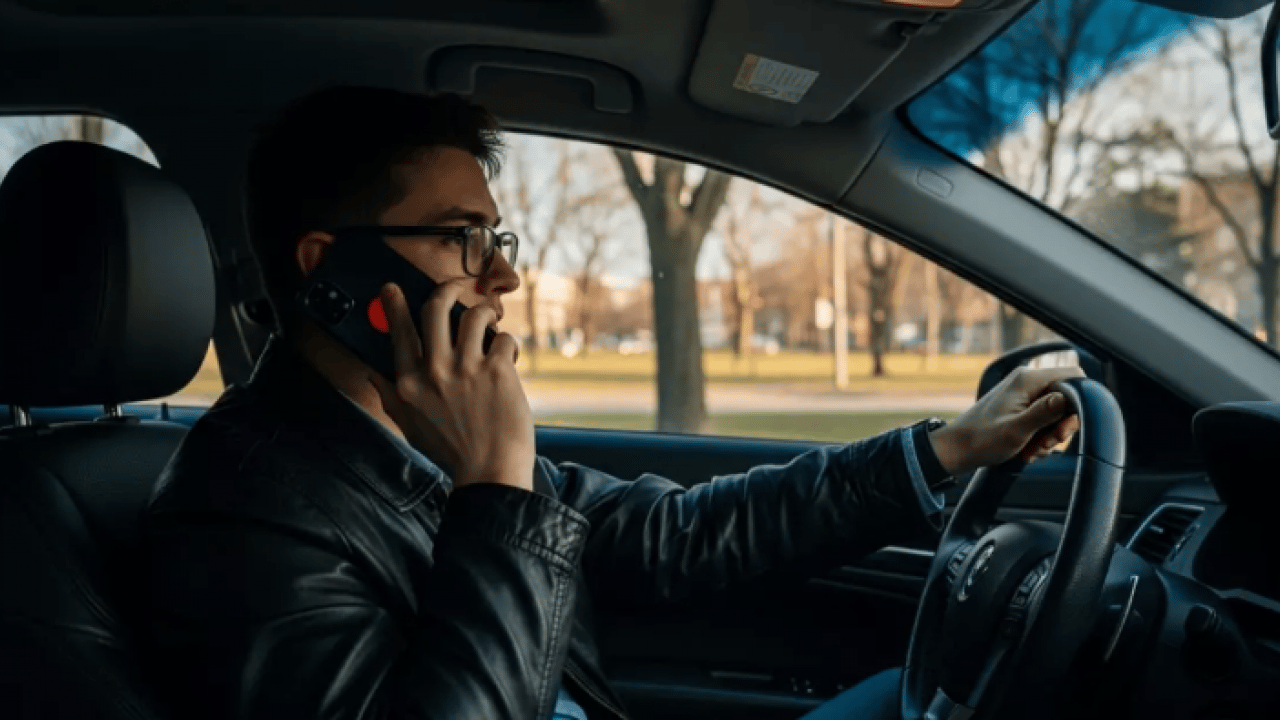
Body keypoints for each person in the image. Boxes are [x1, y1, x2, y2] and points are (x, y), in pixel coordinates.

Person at [138, 86, 1082, 720]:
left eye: (498, 237)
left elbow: (681, 535)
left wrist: (950, 446)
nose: (504, 276)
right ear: (331, 272)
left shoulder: (412, 445)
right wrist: (495, 488)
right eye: (463, 237)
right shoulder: (240, 515)